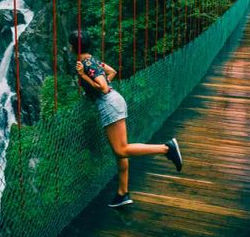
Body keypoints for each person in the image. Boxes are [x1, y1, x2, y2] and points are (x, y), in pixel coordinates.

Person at [69, 30, 183, 208]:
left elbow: (104, 88)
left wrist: (84, 77)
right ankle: (122, 193)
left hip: (109, 103)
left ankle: (166, 149)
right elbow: (112, 72)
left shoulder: (86, 64)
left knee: (121, 150)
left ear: (72, 47)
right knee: (120, 153)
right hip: (115, 101)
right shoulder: (92, 60)